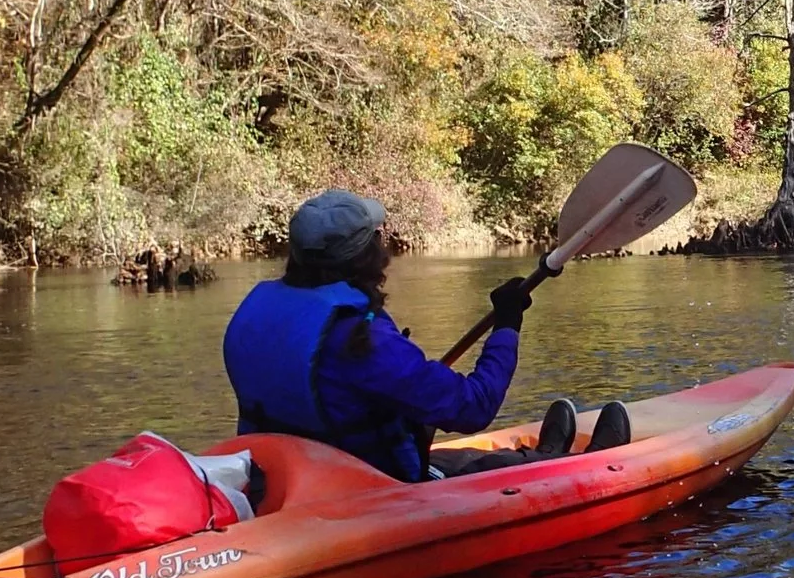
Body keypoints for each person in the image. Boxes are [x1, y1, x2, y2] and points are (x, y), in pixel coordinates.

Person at [222, 188, 629, 482]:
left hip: (291, 479)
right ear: (370, 254)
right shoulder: (363, 344)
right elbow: (474, 406)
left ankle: (545, 453)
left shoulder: (253, 313)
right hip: (368, 486)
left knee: (466, 458)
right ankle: (582, 463)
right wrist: (507, 324)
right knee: (478, 472)